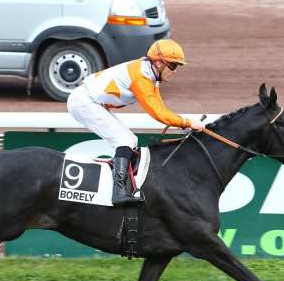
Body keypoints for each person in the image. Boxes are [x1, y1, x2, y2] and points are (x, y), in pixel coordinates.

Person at [67, 39, 205, 205]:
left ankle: (124, 186)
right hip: (84, 102)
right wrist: (188, 123)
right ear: (159, 63)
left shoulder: (151, 74)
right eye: (173, 65)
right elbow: (158, 113)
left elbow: (160, 107)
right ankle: (118, 192)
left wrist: (183, 125)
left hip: (91, 101)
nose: (175, 71)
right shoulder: (141, 77)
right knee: (124, 140)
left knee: (131, 140)